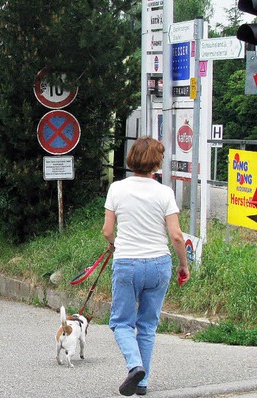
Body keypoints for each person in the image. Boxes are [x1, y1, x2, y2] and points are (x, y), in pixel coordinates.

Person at [102, 136, 190, 397]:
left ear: (131, 160)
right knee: (148, 325)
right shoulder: (164, 192)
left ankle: (134, 365)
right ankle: (141, 382)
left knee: (121, 323)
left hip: (127, 263)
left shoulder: (117, 189)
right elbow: (176, 236)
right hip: (159, 264)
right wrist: (183, 265)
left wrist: (115, 244)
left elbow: (107, 231)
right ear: (156, 163)